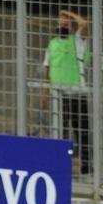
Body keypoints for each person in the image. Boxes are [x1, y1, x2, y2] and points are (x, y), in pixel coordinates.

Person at [41, 9, 91, 175]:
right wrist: (45, 92)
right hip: (59, 95)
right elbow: (46, 69)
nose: (61, 25)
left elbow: (84, 24)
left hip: (77, 93)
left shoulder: (76, 41)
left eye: (65, 24)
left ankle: (86, 165)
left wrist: (69, 14)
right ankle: (61, 164)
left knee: (82, 131)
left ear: (70, 27)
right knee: (61, 131)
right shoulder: (52, 44)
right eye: (59, 23)